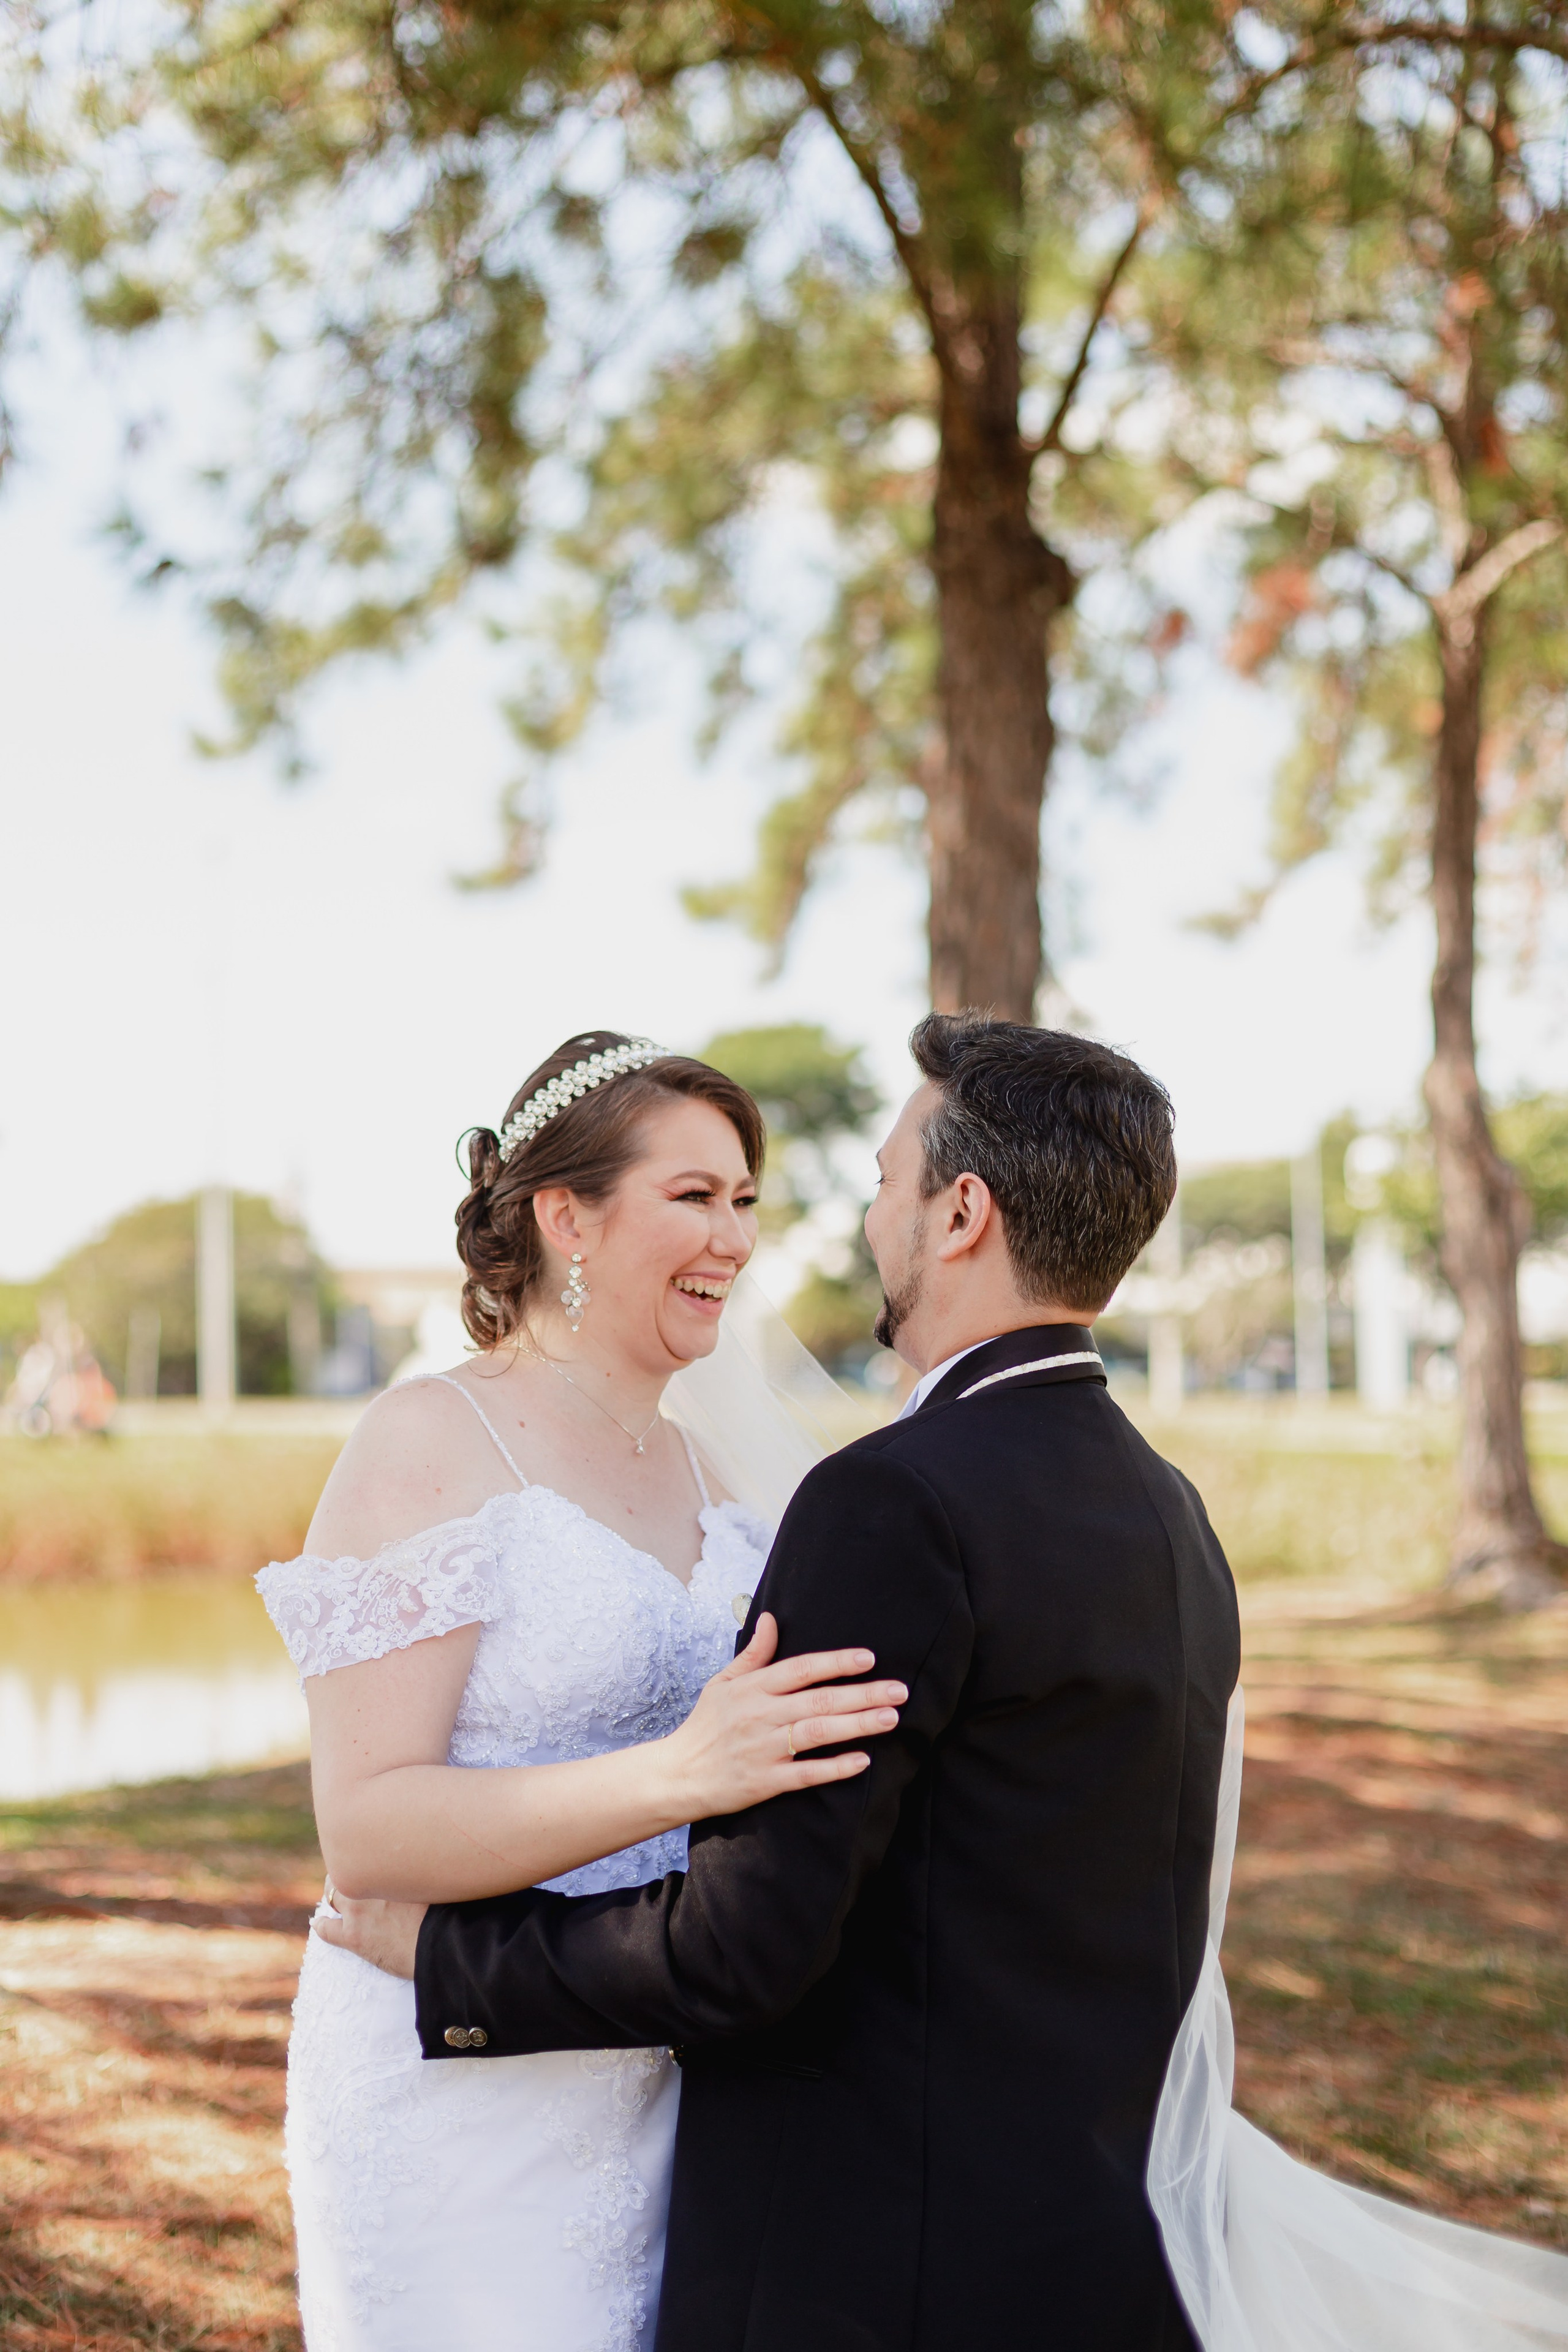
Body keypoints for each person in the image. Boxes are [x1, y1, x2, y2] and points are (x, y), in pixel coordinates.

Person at [326, 1015, 1568, 2352]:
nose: (770, 1235)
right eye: (698, 1196)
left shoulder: (882, 1499)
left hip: (854, 2225)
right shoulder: (1170, 1510)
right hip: (1023, 2205)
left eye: (868, 1184)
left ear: (961, 1212)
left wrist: (446, 1962)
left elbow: (748, 1944)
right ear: (564, 1216)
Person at [255, 1033, 908, 2352]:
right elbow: (367, 1832)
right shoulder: (432, 1440)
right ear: (567, 1217)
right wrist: (679, 1775)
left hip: (662, 2066)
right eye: (693, 1196)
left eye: (744, 1201)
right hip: (454, 2095)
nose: (734, 1239)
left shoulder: (716, 1476)